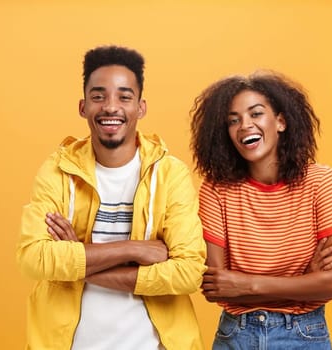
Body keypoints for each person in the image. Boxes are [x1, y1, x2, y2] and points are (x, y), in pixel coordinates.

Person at [16, 45, 207, 349]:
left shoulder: (171, 174)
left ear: (141, 107)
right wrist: (133, 249)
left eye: (124, 96)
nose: (110, 107)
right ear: (83, 106)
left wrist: (77, 257)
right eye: (98, 96)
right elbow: (33, 259)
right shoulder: (57, 170)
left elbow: (188, 273)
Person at [190, 70, 332, 349]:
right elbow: (217, 287)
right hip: (236, 336)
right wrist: (305, 282)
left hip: (304, 335)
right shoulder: (216, 189)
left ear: (281, 121)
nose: (244, 126)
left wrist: (246, 285)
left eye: (256, 114)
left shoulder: (320, 181)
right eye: (233, 120)